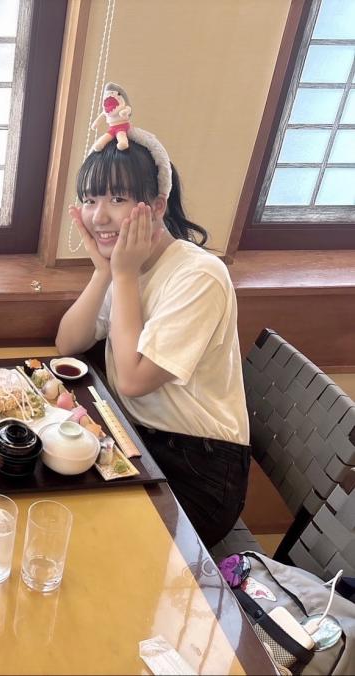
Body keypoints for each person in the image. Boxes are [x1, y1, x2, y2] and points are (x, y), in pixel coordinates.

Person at [55, 135, 250, 548]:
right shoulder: (127, 262)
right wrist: (103, 272)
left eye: (118, 199)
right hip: (134, 437)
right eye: (90, 200)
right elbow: (68, 343)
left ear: (158, 206)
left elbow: (133, 380)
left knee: (80, 538)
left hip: (197, 468)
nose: (99, 216)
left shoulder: (199, 275)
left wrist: (123, 274)